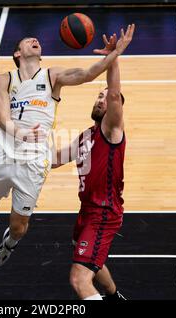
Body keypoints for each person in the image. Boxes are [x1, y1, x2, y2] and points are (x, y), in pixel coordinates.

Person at [0, 28, 133, 270]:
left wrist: (115, 54)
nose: (35, 39)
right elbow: (3, 115)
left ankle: (8, 245)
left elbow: (87, 74)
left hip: (34, 162)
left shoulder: (52, 76)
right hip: (5, 153)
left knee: (18, 227)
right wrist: (20, 132)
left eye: (36, 40)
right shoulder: (4, 79)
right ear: (18, 53)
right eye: (28, 40)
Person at [52, 24, 135, 300]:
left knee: (79, 279)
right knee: (81, 249)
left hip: (103, 213)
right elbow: (53, 160)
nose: (101, 100)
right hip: (87, 210)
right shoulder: (85, 136)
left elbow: (113, 94)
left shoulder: (112, 132)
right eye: (97, 96)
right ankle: (114, 295)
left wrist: (114, 57)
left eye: (105, 99)